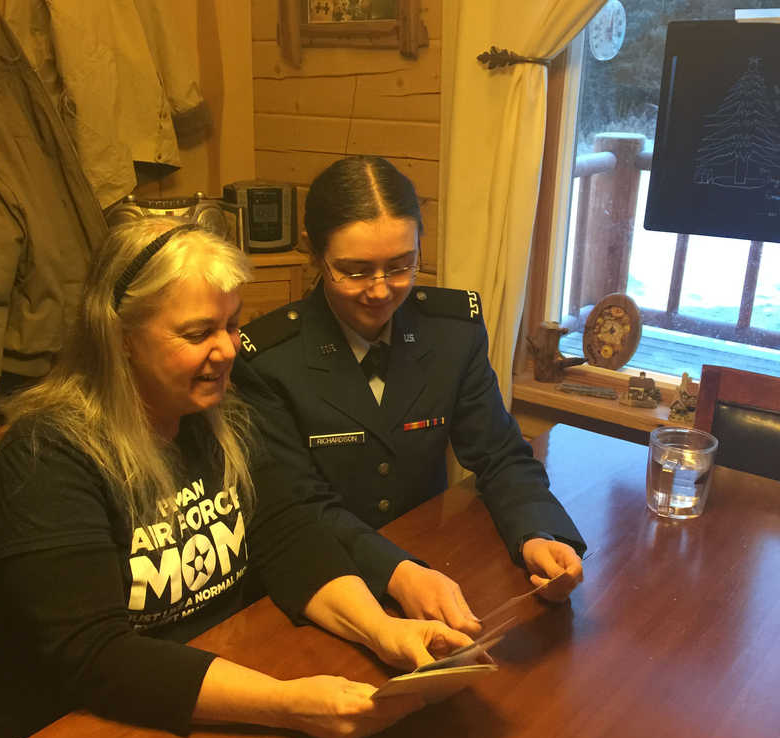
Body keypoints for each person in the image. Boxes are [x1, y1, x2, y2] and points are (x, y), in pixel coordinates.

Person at [0, 218, 473, 738]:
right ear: (118, 337)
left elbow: (291, 538)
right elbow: (97, 655)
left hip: (173, 702)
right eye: (197, 334)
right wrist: (287, 704)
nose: (227, 351)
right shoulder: (46, 456)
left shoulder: (219, 417)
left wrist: (382, 631)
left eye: (232, 325)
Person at [239, 156, 586, 625]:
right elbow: (297, 507)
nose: (381, 291)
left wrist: (538, 532)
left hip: (433, 566)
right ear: (314, 254)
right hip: (321, 583)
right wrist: (398, 574)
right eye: (355, 270)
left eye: (401, 266)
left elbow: (500, 455)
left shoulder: (452, 334)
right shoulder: (267, 361)